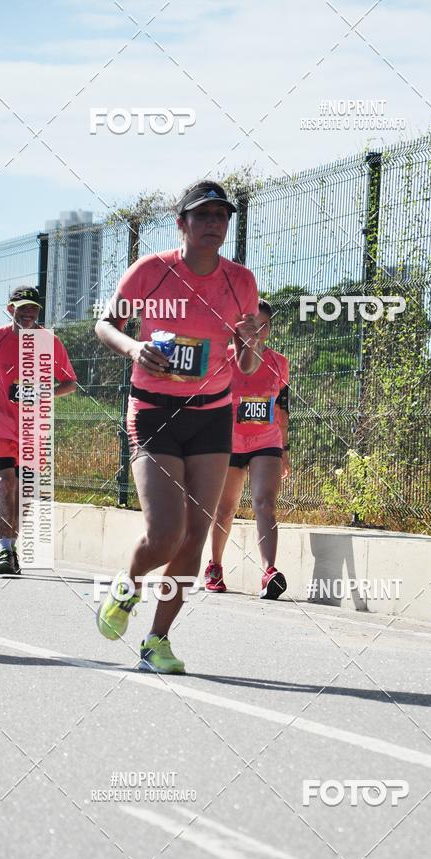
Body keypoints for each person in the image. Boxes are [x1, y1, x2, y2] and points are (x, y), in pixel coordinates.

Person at [94, 180, 259, 674]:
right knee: (167, 532)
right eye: (203, 215)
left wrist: (247, 344)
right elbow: (106, 324)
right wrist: (132, 348)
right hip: (153, 411)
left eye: (221, 217)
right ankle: (128, 583)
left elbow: (247, 366)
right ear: (181, 223)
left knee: (195, 536)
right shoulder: (151, 271)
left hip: (211, 413)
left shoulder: (240, 281)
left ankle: (157, 641)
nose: (214, 224)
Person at [0, 286, 77, 575]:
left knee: (25, 491)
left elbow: (69, 382)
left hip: (34, 427)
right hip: (1, 422)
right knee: (6, 482)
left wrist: (45, 394)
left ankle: (12, 545)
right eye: (23, 308)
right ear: (11, 310)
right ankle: (5, 549)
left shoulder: (48, 342)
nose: (29, 314)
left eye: (34, 309)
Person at [204, 300, 290, 600]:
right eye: (252, 324)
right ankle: (214, 566)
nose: (258, 330)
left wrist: (285, 448)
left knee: (265, 503)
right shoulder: (224, 358)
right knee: (225, 509)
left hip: (266, 442)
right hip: (228, 444)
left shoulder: (279, 362)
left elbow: (281, 408)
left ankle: (270, 572)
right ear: (240, 328)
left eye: (263, 325)